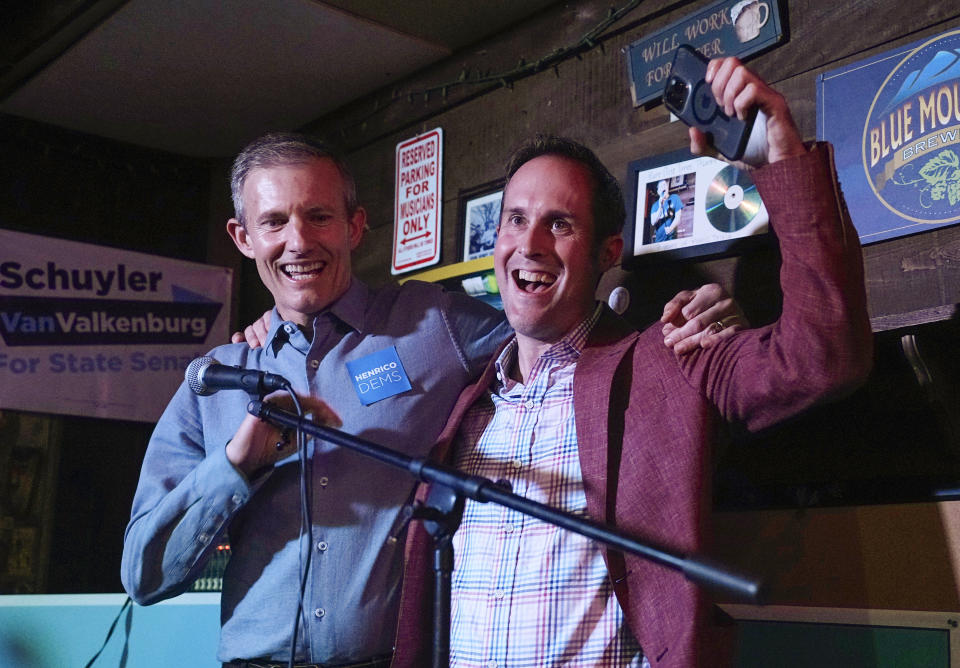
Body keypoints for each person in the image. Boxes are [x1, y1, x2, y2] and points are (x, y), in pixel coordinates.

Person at [121, 133, 743, 667]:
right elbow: (144, 576)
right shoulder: (217, 379)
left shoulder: (432, 324)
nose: (299, 241)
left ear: (356, 226)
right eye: (274, 222)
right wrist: (235, 466)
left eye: (319, 217)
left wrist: (686, 326)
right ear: (242, 236)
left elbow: (557, 329)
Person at [391, 57, 873, 668]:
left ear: (606, 252)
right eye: (516, 219)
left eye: (558, 223)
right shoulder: (470, 406)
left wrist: (783, 161)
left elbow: (824, 357)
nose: (529, 243)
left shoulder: (666, 360)